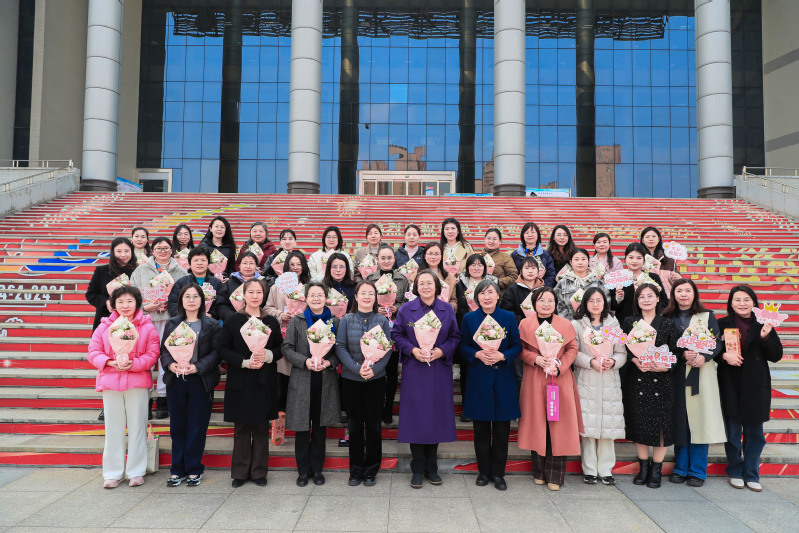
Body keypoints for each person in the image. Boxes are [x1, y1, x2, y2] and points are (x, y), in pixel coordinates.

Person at [392, 270, 460, 488]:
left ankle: (432, 467)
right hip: (415, 369)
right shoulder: (406, 309)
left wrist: (442, 351)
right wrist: (412, 350)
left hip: (438, 369)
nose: (426, 287)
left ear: (437, 286)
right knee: (416, 418)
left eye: (429, 283)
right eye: (421, 283)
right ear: (416, 287)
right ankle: (417, 467)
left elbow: (455, 337)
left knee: (435, 417)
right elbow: (396, 334)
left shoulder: (446, 309)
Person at [87, 286, 159, 488]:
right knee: (113, 429)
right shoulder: (104, 326)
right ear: (113, 305)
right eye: (120, 301)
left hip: (137, 382)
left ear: (137, 303)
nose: (125, 305)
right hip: (111, 382)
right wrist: (110, 362)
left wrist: (133, 364)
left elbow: (153, 354)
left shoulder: (147, 326)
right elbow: (93, 351)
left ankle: (136, 471)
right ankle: (113, 473)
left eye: (129, 301)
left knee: (137, 428)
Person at [717, 285, 783, 492]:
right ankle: (736, 471)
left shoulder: (764, 323)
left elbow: (776, 355)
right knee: (732, 433)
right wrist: (724, 356)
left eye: (746, 299)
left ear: (754, 302)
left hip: (755, 385)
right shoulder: (721, 323)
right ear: (731, 303)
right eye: (737, 299)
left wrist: (765, 337)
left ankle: (752, 473)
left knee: (755, 434)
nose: (742, 303)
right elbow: (712, 350)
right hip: (730, 383)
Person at [218, 279, 283, 487]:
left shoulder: (271, 321)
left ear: (264, 296)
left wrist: (268, 355)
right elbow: (223, 349)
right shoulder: (233, 321)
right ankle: (239, 472)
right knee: (241, 428)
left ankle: (259, 472)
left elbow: (280, 348)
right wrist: (244, 362)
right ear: (244, 295)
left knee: (262, 428)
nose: (255, 296)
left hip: (264, 380)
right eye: (251, 292)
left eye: (259, 292)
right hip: (240, 380)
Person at [458, 279, 521, 490]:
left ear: (497, 296)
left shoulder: (508, 317)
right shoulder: (469, 318)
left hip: (503, 379)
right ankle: (483, 472)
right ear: (477, 297)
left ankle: (499, 474)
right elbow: (463, 346)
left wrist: (502, 355)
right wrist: (476, 354)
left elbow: (517, 345)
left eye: (491, 292)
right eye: (483, 293)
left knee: (502, 432)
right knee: (481, 431)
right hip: (479, 378)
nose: (487, 297)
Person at [517, 287, 582, 491]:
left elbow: (572, 349)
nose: (546, 304)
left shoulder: (565, 324)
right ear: (534, 303)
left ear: (556, 303)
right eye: (541, 300)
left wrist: (560, 366)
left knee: (558, 425)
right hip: (534, 377)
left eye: (550, 300)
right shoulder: (525, 324)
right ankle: (538, 472)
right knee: (537, 423)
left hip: (559, 378)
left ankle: (555, 475)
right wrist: (535, 358)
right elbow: (519, 349)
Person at [662, 279, 726, 487]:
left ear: (694, 293)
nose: (683, 294)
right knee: (681, 420)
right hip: (677, 373)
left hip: (701, 372)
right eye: (679, 290)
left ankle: (697, 471)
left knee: (700, 419)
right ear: (673, 294)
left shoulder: (706, 316)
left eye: (688, 290)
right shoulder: (666, 317)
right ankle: (681, 468)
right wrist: (682, 354)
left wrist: (704, 356)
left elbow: (717, 341)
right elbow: (663, 345)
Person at [160, 283, 222, 487]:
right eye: (187, 296)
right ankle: (177, 469)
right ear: (181, 300)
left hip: (199, 380)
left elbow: (216, 353)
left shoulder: (211, 325)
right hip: (176, 380)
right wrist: (170, 365)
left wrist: (198, 367)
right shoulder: (172, 323)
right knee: (177, 426)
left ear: (202, 300)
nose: (191, 300)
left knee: (196, 426)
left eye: (195, 296)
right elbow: (164, 350)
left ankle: (194, 468)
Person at [282, 282, 341, 487]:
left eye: (320, 295)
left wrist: (329, 362)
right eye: (312, 295)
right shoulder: (297, 320)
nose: (316, 298)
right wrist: (304, 361)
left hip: (324, 379)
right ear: (306, 299)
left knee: (319, 427)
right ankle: (302, 471)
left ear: (326, 298)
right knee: (301, 427)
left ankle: (317, 470)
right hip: (302, 378)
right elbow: (287, 347)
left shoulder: (334, 321)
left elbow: (339, 350)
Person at [622, 283, 680, 489]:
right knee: (639, 422)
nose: (646, 300)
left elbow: (676, 352)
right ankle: (643, 467)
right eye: (641, 297)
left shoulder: (668, 324)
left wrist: (666, 367)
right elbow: (622, 347)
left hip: (661, 381)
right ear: (637, 301)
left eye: (650, 296)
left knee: (661, 424)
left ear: (657, 299)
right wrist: (634, 360)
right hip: (637, 377)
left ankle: (656, 469)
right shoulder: (629, 322)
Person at [335, 280, 392, 486]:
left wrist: (374, 370)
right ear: (356, 297)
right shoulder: (346, 319)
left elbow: (387, 349)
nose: (367, 297)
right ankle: (356, 470)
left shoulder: (382, 320)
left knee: (374, 426)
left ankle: (371, 470)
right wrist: (356, 368)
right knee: (355, 426)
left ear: (375, 298)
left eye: (371, 293)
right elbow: (340, 347)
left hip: (376, 381)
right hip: (351, 380)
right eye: (363, 293)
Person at [571, 287, 626, 486]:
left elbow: (622, 352)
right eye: (591, 301)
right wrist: (590, 361)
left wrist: (613, 361)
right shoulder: (577, 324)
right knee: (587, 427)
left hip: (609, 380)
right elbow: (573, 352)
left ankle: (606, 469)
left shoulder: (614, 323)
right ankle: (589, 469)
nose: (595, 304)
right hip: (586, 379)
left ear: (605, 303)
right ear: (585, 303)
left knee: (607, 426)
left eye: (599, 300)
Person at [130, 236, 188, 419]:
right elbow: (132, 295)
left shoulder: (181, 271)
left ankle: (163, 397)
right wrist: (145, 307)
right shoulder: (140, 270)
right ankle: (145, 398)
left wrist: (173, 307)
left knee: (166, 358)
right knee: (145, 358)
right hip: (146, 320)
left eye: (166, 248)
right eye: (158, 248)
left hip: (170, 320)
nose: (162, 251)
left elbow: (186, 296)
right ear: (152, 251)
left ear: (172, 250)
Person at [366, 245, 409, 425]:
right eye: (382, 258)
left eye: (389, 258)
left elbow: (407, 301)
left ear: (394, 259)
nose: (386, 261)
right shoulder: (370, 278)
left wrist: (395, 308)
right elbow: (365, 299)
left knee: (391, 372)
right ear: (377, 259)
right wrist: (376, 308)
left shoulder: (402, 279)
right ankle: (374, 408)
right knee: (375, 370)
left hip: (394, 329)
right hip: (374, 327)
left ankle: (388, 408)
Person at [454, 254, 498, 422]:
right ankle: (467, 408)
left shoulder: (492, 283)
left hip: (489, 333)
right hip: (467, 329)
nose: (476, 268)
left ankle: (486, 406)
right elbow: (458, 308)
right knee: (466, 371)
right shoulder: (459, 284)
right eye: (473, 265)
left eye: (480, 265)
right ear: (467, 267)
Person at [86, 237, 138, 332]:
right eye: (119, 251)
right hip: (107, 319)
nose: (123, 254)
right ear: (113, 252)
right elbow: (90, 294)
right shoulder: (102, 271)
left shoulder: (138, 270)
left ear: (132, 252)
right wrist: (106, 302)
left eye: (127, 251)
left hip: (133, 320)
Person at [610, 243, 667, 325]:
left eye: (639, 258)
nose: (634, 261)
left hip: (650, 323)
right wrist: (618, 298)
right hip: (624, 323)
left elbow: (664, 301)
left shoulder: (653, 277)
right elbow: (611, 305)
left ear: (644, 260)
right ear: (625, 258)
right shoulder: (617, 278)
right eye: (631, 257)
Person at [168, 246, 223, 319]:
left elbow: (221, 304)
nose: (199, 263)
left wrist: (211, 315)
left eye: (203, 260)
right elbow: (173, 303)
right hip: (185, 321)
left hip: (210, 321)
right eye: (195, 260)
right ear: (190, 264)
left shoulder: (217, 283)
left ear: (208, 263)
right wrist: (185, 316)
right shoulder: (181, 282)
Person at [554, 248, 609, 320]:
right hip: (569, 323)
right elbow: (559, 306)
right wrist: (570, 323)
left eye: (583, 259)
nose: (580, 262)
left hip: (594, 322)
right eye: (576, 259)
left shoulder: (598, 282)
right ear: (571, 262)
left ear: (588, 261)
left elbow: (606, 302)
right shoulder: (563, 283)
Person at [216, 252, 265, 323]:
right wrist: (233, 317)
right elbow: (221, 304)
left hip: (257, 322)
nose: (248, 266)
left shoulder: (263, 283)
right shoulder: (229, 283)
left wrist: (257, 316)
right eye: (245, 263)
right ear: (239, 265)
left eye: (251, 263)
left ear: (256, 266)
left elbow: (266, 305)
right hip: (232, 321)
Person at [501, 256, 544, 324]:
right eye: (526, 268)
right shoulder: (512, 289)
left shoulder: (544, 290)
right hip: (519, 326)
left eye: (533, 268)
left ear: (538, 271)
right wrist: (523, 321)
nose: (530, 271)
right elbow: (507, 310)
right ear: (521, 271)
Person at [510, 222, 556, 287]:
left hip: (541, 289)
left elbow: (551, 275)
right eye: (527, 233)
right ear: (522, 236)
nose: (530, 235)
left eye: (533, 232)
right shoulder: (515, 255)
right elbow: (512, 275)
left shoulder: (545, 255)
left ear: (538, 235)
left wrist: (542, 287)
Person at [418, 241, 458, 311]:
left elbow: (453, 300)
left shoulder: (450, 277)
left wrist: (449, 307)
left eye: (436, 254)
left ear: (441, 256)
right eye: (430, 254)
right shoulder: (415, 276)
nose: (433, 257)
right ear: (424, 256)